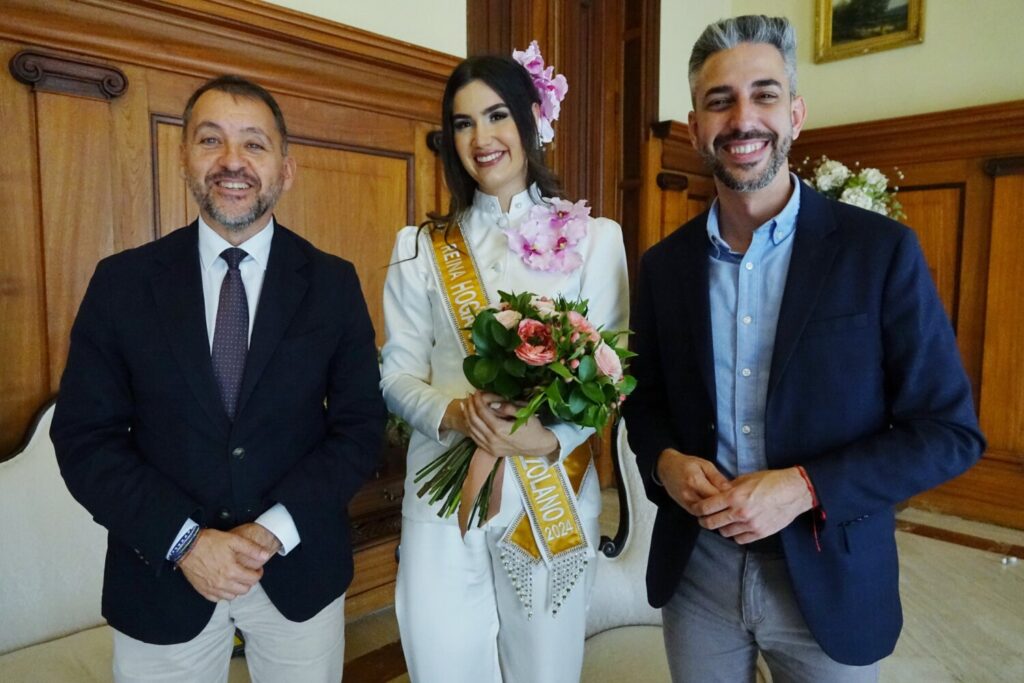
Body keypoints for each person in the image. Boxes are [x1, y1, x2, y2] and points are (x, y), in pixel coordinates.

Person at [622, 14, 985, 683]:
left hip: (831, 571)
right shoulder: (664, 267)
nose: (742, 119)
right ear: (696, 126)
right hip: (697, 574)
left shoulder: (879, 252)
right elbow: (645, 404)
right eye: (719, 100)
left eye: (763, 94)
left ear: (794, 115)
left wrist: (804, 487)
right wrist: (666, 461)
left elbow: (948, 431)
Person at [50, 75, 385, 682]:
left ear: (286, 169)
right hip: (160, 575)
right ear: (184, 158)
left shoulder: (333, 284)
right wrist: (185, 542)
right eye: (211, 140)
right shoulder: (122, 284)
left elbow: (359, 428)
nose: (232, 161)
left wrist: (273, 530)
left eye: (254, 145)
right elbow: (84, 439)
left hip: (298, 571)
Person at [380, 49, 628, 683]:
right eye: (463, 123)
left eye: (497, 116)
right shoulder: (417, 247)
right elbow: (395, 372)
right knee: (441, 665)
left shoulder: (596, 240)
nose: (482, 138)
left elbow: (612, 372)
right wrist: (455, 413)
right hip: (443, 490)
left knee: (543, 671)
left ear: (531, 119)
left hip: (548, 491)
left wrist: (547, 436)